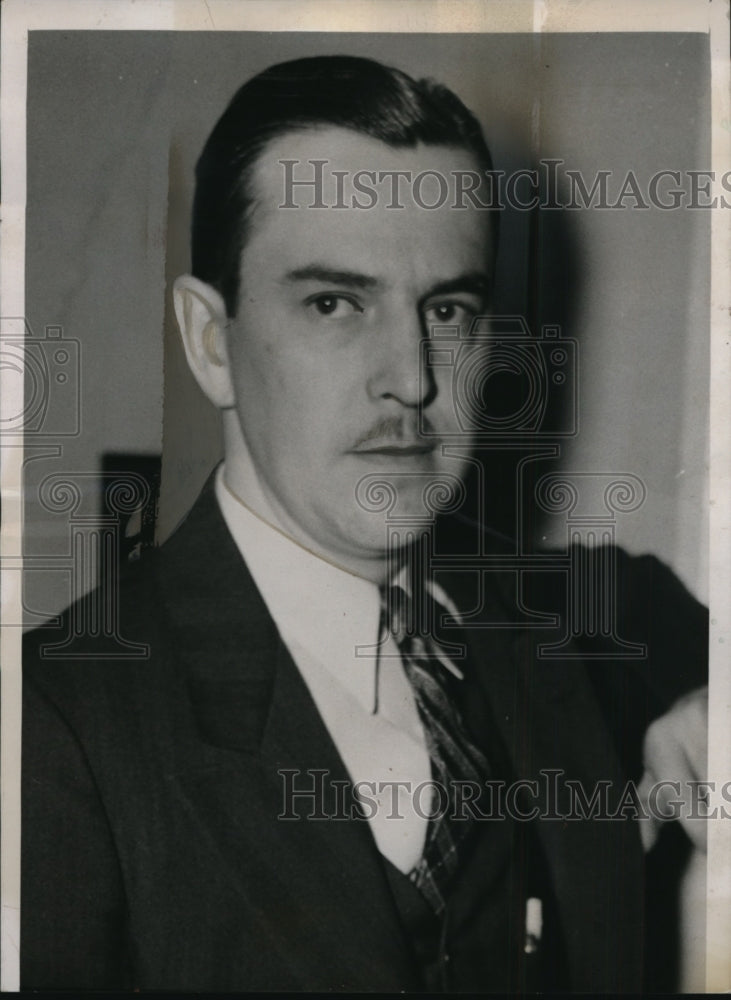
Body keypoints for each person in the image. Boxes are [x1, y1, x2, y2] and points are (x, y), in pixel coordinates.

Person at [21, 55, 708, 993]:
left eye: (449, 308)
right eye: (334, 303)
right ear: (209, 341)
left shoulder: (597, 625)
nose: (413, 378)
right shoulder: (52, 730)